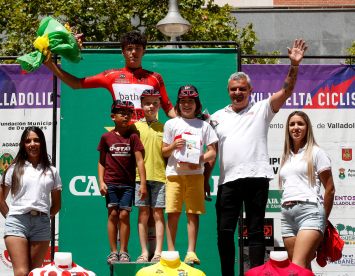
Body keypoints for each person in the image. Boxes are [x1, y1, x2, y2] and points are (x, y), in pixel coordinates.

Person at [205, 39, 308, 275]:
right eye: (234, 89)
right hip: (227, 182)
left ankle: (256, 273)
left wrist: (294, 65)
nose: (238, 92)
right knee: (224, 233)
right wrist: (204, 179)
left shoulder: (262, 108)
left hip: (256, 179)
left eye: (242, 88)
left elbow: (287, 90)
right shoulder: (217, 117)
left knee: (255, 233)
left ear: (250, 90)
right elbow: (213, 152)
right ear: (228, 91)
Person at [43, 30, 176, 122]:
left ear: (144, 51)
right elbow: (76, 83)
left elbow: (169, 109)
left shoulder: (155, 77)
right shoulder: (111, 75)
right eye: (129, 49)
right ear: (123, 52)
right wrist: (50, 65)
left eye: (138, 48)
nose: (134, 52)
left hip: (148, 135)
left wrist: (192, 124)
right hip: (124, 137)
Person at [162, 85, 218, 265]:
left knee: (193, 213)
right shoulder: (171, 124)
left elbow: (212, 152)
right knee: (173, 212)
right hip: (174, 175)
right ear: (178, 104)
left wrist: (198, 159)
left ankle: (191, 252)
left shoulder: (204, 125)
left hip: (196, 175)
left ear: (197, 104)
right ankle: (171, 251)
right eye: (183, 101)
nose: (187, 105)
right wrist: (173, 146)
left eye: (190, 101)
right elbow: (164, 152)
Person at [0, 127, 62, 276]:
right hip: (17, 222)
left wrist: (43, 218)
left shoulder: (52, 171)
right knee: (21, 272)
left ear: (42, 143)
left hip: (42, 225)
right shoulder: (13, 169)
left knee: (34, 273)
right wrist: (13, 218)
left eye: (36, 140)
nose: (32, 144)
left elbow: (57, 204)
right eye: (28, 141)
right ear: (23, 145)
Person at [279, 111, 335, 270]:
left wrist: (322, 221)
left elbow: (330, 189)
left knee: (297, 267)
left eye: (300, 124)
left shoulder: (317, 152)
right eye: (292, 124)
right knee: (301, 269)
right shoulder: (287, 155)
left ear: (307, 127)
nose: (295, 127)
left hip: (310, 212)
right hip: (286, 214)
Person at [98, 100, 147, 263]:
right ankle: (113, 252)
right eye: (122, 113)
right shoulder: (106, 137)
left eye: (129, 114)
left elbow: (140, 161)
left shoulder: (133, 137)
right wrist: (101, 182)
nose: (126, 116)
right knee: (112, 214)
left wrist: (144, 184)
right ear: (113, 116)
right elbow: (101, 162)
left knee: (124, 215)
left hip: (128, 184)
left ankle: (124, 251)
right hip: (110, 183)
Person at [129, 89, 167, 263]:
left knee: (158, 213)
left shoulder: (166, 127)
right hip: (139, 178)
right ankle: (144, 252)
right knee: (143, 213)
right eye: (147, 103)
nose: (151, 106)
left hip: (161, 176)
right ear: (141, 105)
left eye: (155, 103)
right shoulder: (134, 127)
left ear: (160, 105)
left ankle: (158, 252)